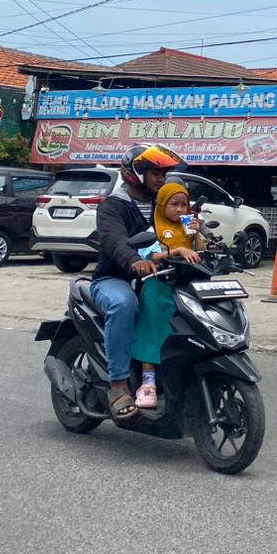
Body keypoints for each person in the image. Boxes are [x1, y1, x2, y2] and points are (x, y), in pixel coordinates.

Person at [92, 144, 186, 420]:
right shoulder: (113, 206)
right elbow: (114, 240)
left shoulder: (163, 205)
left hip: (161, 278)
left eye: (163, 173)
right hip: (114, 278)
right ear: (134, 173)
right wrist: (135, 261)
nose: (161, 179)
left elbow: (185, 235)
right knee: (124, 304)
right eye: (155, 173)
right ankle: (118, 384)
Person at [128, 182, 203, 409]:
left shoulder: (188, 226)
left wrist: (196, 232)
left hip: (185, 290)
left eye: (184, 205)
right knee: (152, 334)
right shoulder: (154, 230)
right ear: (162, 206)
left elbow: (201, 251)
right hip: (158, 290)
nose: (180, 209)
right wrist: (177, 250)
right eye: (174, 204)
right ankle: (148, 384)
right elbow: (149, 255)